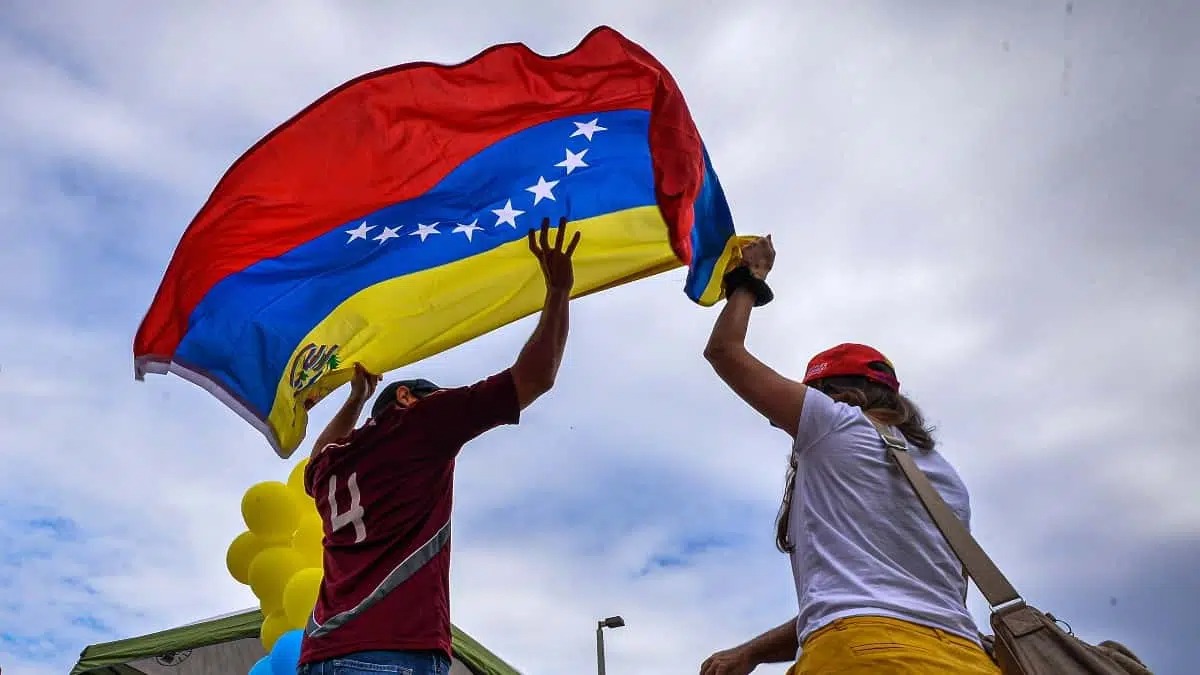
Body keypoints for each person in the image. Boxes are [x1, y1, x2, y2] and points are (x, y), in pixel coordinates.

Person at [698, 236, 998, 674]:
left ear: (832, 393)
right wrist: (753, 651)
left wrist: (749, 281)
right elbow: (884, 596)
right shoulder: (946, 480)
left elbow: (724, 352)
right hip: (967, 660)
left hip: (862, 656)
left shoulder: (834, 422)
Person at [296, 217, 581, 675]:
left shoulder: (331, 468)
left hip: (321, 657)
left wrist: (355, 399)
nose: (441, 398)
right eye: (432, 391)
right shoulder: (418, 425)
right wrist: (559, 292)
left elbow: (318, 453)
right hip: (393, 652)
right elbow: (536, 378)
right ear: (407, 398)